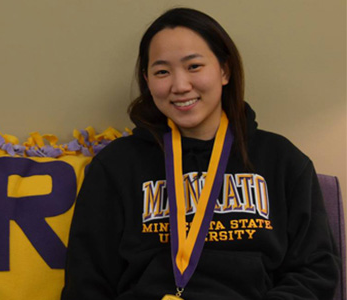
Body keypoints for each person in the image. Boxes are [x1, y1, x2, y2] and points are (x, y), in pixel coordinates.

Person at [61, 7, 339, 300]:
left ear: (224, 70)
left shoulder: (282, 160)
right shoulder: (116, 165)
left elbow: (315, 270)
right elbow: (87, 283)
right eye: (162, 72)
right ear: (148, 81)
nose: (180, 86)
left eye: (194, 66)